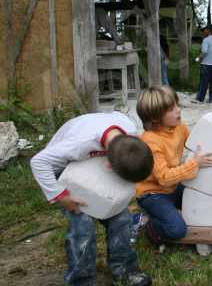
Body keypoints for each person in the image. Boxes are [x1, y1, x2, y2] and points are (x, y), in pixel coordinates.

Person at [30, 112, 154, 286]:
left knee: (121, 218)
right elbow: (38, 162)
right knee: (83, 225)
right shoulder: (77, 144)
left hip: (94, 164)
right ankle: (81, 281)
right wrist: (62, 196)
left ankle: (125, 269)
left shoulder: (130, 131)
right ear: (110, 166)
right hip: (66, 170)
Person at [135, 86, 212, 246]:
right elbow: (164, 179)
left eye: (177, 105)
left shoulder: (179, 127)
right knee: (177, 229)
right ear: (155, 118)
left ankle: (168, 211)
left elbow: (195, 143)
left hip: (174, 187)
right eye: (171, 109)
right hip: (153, 194)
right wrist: (194, 163)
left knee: (205, 204)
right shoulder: (150, 141)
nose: (178, 111)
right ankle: (146, 222)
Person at [195, 24, 212, 103]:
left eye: (205, 30)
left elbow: (204, 52)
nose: (203, 31)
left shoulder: (206, 40)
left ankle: (199, 98)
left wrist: (198, 58)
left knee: (203, 82)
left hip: (206, 64)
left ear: (209, 30)